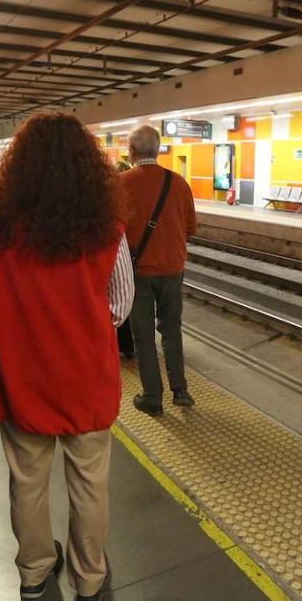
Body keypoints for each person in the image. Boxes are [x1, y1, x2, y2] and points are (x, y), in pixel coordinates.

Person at [0, 112, 132, 601]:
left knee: (27, 480)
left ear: (20, 167)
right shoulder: (109, 230)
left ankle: (35, 572)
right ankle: (88, 579)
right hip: (85, 376)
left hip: (21, 375)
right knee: (89, 483)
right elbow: (120, 307)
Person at [122, 125, 196, 415]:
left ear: (131, 151)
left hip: (138, 270)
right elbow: (190, 228)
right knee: (172, 328)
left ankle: (152, 397)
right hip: (173, 268)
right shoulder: (179, 183)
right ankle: (181, 390)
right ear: (159, 150)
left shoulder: (121, 183)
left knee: (143, 334)